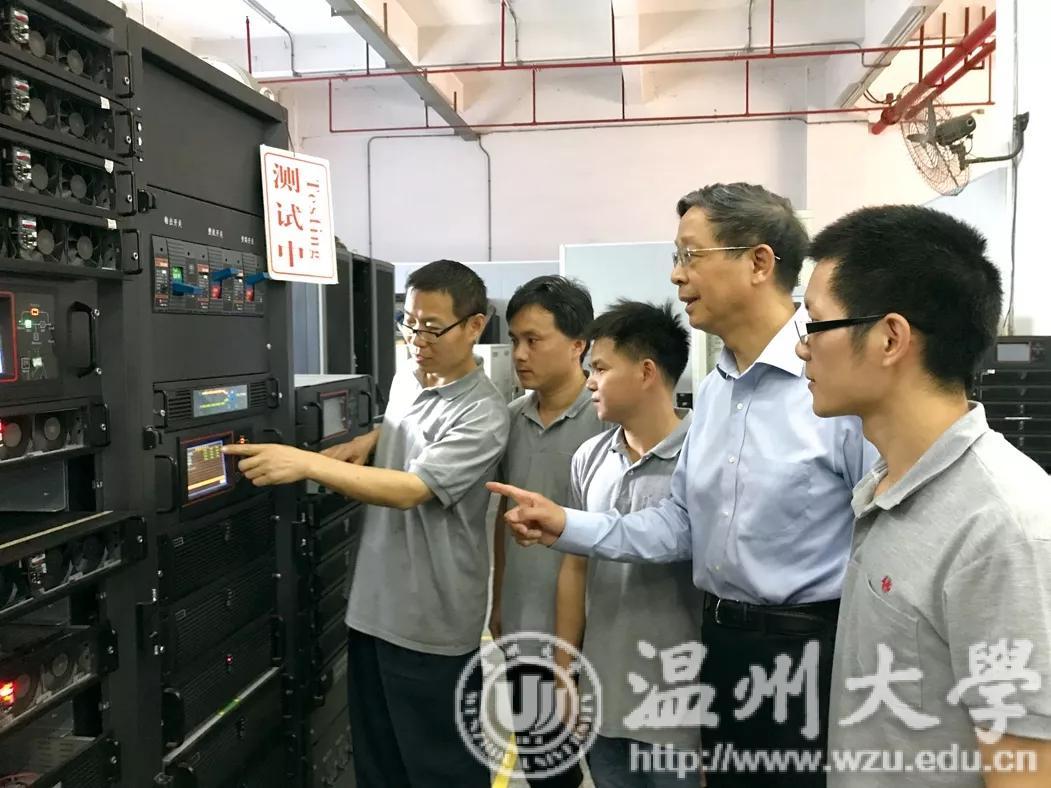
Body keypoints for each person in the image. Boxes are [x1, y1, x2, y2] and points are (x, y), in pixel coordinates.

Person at [489, 183, 877, 787]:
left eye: (691, 255)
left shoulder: (836, 373)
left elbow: (882, 538)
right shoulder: (719, 387)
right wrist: (567, 524)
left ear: (758, 262)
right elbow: (679, 524)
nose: (676, 274)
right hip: (720, 644)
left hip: (810, 650)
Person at [224, 259, 510, 788]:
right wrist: (371, 438)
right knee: (379, 766)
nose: (417, 339)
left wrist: (308, 464)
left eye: (432, 328)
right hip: (373, 611)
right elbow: (405, 425)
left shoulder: (483, 413)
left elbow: (412, 490)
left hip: (431, 625)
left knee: (442, 770)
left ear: (475, 325)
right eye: (409, 323)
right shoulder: (408, 378)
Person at [797, 205, 1051, 787]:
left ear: (890, 338)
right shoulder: (887, 485)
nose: (802, 349)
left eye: (815, 324)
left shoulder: (1002, 529)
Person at [554, 300, 703, 787]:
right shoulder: (589, 458)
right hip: (606, 701)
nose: (589, 382)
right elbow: (575, 569)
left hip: (682, 708)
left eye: (600, 368)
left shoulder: (704, 456)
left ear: (646, 372)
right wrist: (564, 672)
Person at [492, 275, 603, 788]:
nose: (519, 354)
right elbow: (503, 514)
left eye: (534, 340)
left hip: (594, 636)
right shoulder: (511, 420)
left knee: (611, 769)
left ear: (578, 344)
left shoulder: (608, 421)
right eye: (515, 339)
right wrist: (498, 603)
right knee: (545, 771)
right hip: (525, 629)